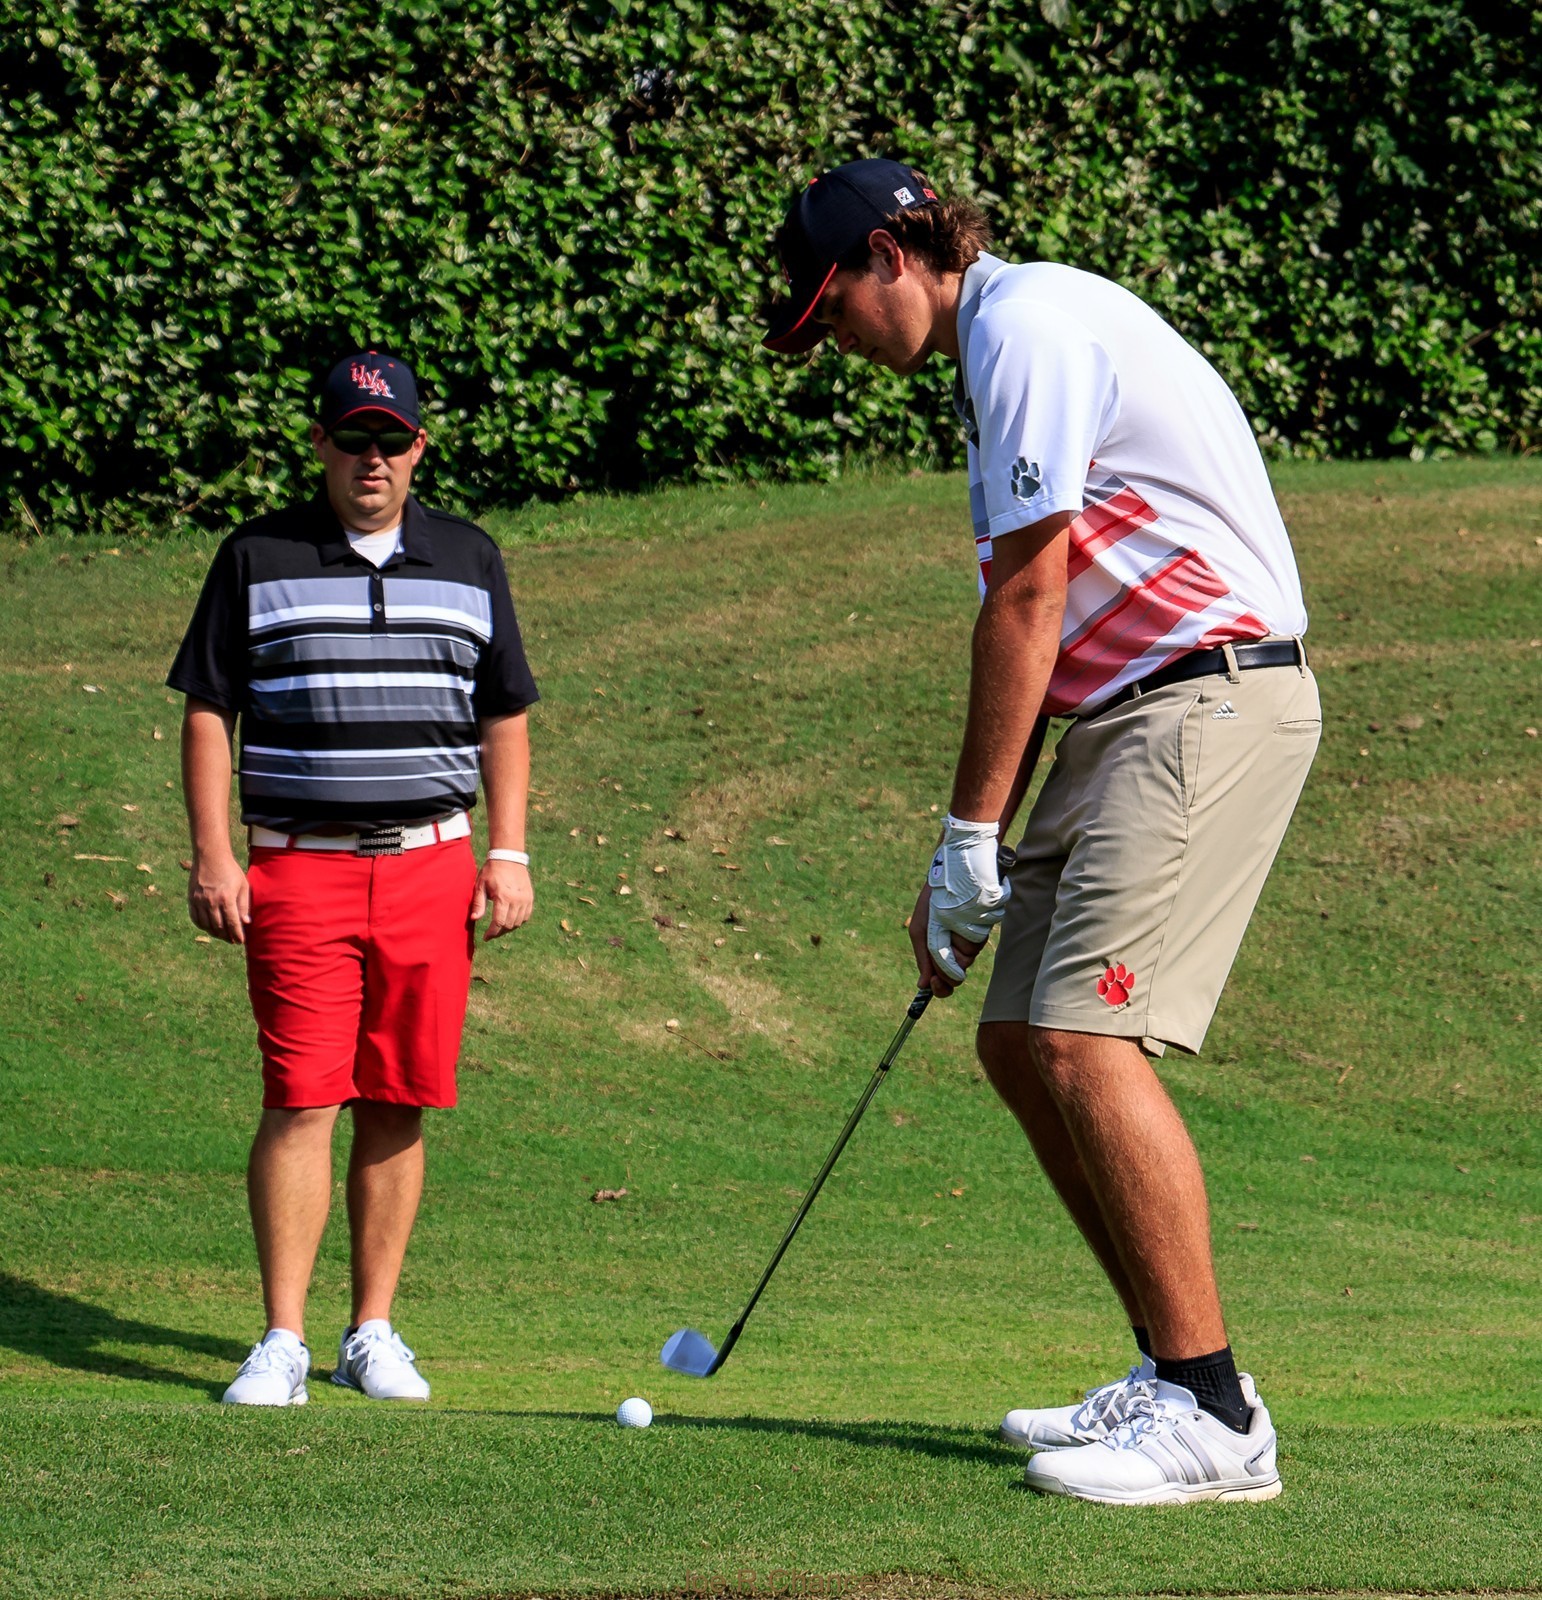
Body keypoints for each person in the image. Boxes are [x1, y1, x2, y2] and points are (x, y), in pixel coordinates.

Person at [763, 160, 1320, 1504]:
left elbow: (1026, 595)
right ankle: (1160, 1365)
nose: (828, 334)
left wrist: (966, 836)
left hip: (1203, 698)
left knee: (1081, 1038)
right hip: (1123, 718)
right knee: (1018, 1044)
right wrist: (973, 848)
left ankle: (1212, 1413)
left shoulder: (1025, 325)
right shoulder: (1001, 350)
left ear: (893, 256)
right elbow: (1046, 622)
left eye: (828, 304)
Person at [168, 351, 539, 1407]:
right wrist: (213, 853)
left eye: (391, 440)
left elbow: (501, 711)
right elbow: (208, 708)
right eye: (351, 438)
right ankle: (282, 1338)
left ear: (418, 447)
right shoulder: (257, 554)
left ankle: (372, 1329)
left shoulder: (469, 556)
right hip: (297, 869)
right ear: (320, 444)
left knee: (398, 1097)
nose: (370, 459)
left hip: (434, 864)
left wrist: (506, 852)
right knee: (301, 1097)